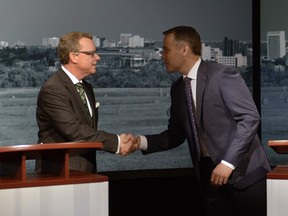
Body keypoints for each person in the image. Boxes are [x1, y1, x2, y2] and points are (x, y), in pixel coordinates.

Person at [130, 26, 271, 216]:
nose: (161, 55)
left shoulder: (222, 75)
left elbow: (250, 118)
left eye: (166, 49)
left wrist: (228, 164)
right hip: (210, 183)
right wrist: (140, 142)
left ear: (184, 49)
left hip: (246, 178)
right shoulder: (178, 89)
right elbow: (175, 135)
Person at [35, 31, 134, 173]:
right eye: (91, 53)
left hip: (85, 172)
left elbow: (87, 131)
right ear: (73, 56)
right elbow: (74, 131)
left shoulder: (86, 88)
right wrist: (117, 142)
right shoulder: (53, 89)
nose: (97, 57)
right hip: (59, 174)